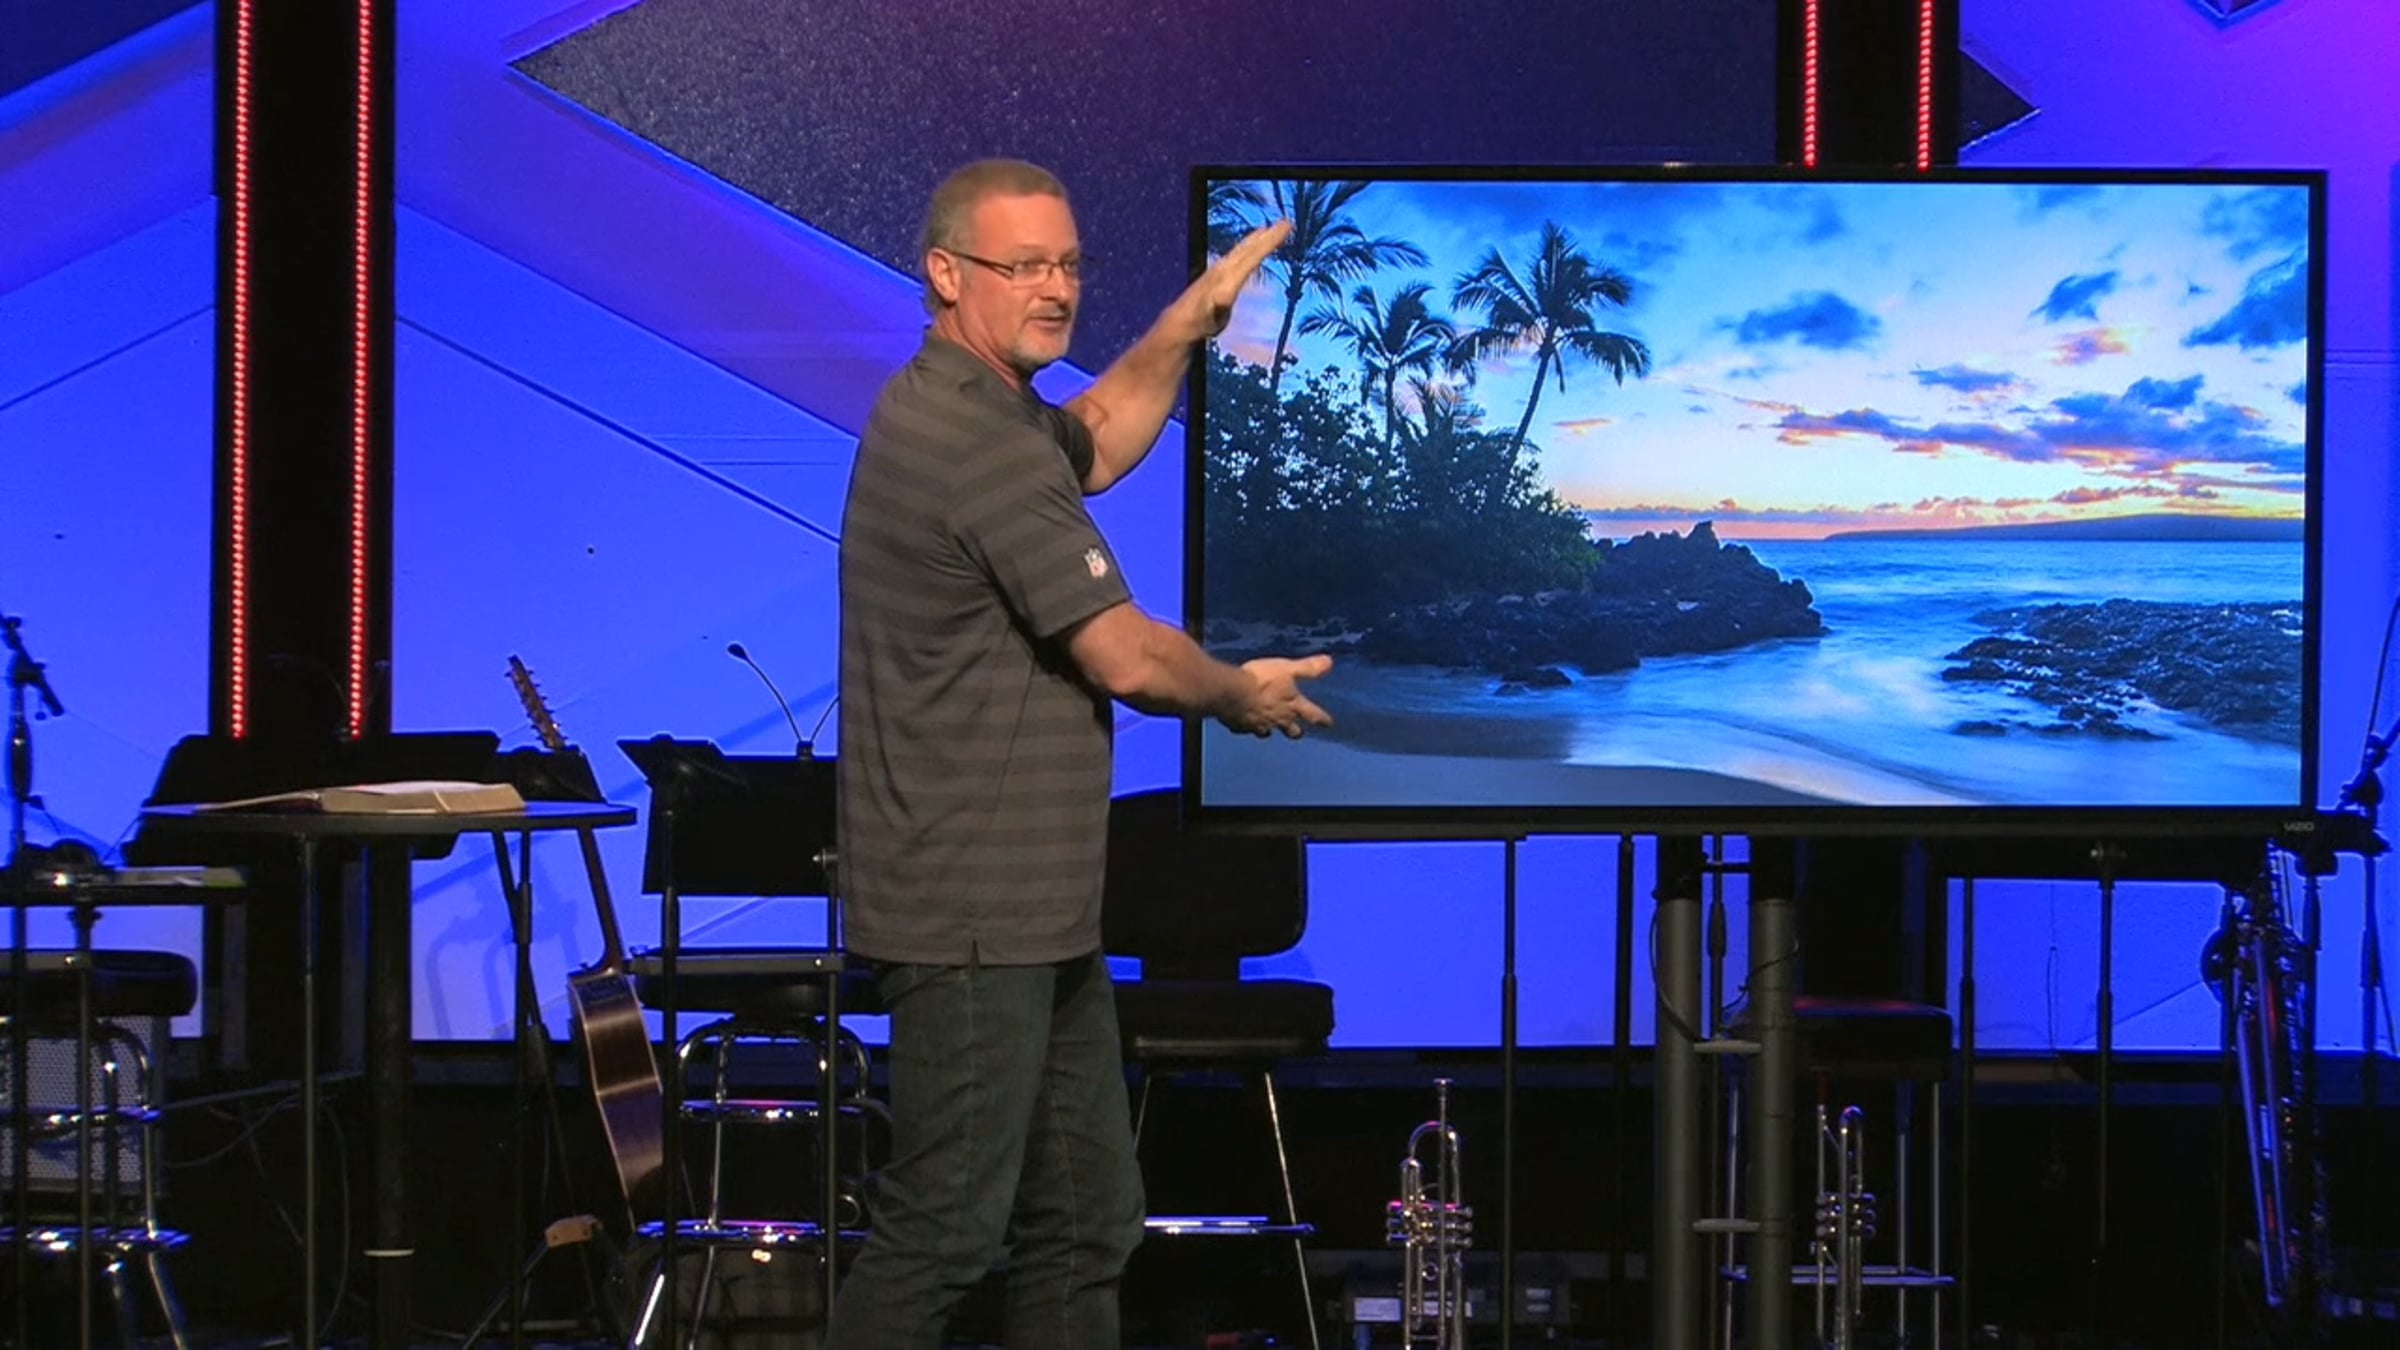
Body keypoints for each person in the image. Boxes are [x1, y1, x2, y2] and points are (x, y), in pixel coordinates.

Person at [827, 158, 1331, 1349]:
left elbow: (1095, 439)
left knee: (1087, 1224)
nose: (1055, 289)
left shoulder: (988, 407)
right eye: (1023, 267)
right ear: (947, 275)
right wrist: (1240, 695)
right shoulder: (972, 440)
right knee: (946, 1233)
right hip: (972, 916)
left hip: (1034, 915)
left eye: (1067, 265)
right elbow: (1127, 657)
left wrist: (1186, 322)